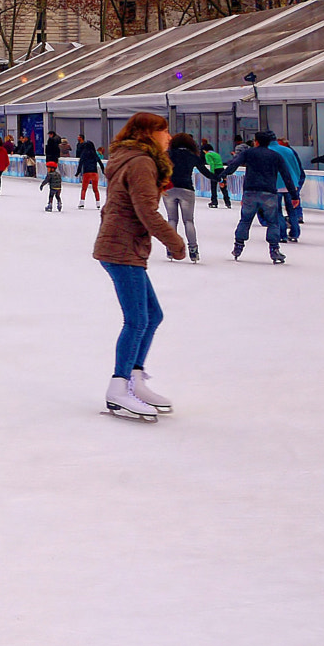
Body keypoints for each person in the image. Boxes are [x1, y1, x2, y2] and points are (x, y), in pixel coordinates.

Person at [93, 111, 189, 421]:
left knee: (152, 315)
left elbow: (113, 206)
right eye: (164, 131)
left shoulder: (130, 158)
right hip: (122, 248)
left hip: (122, 244)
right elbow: (147, 212)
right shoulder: (141, 163)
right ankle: (119, 387)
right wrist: (175, 242)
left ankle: (134, 378)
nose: (169, 137)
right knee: (137, 319)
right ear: (149, 134)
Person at [230, 130, 299, 263]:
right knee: (273, 222)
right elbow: (286, 176)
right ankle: (274, 249)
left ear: (256, 141)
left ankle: (238, 246)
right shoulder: (275, 156)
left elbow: (233, 164)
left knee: (245, 220)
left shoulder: (248, 153)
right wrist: (294, 195)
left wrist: (221, 176)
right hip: (269, 193)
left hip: (250, 191)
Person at [163, 132, 206, 262]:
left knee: (172, 219)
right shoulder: (192, 156)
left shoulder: (167, 155)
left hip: (169, 189)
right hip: (186, 189)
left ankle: (171, 248)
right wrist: (219, 178)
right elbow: (204, 171)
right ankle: (193, 250)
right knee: (188, 221)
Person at [272, 135, 308, 242]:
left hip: (276, 183)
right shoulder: (289, 152)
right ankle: (295, 233)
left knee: (277, 211)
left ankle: (282, 233)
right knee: (292, 210)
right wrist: (297, 182)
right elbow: (297, 168)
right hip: (291, 184)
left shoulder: (270, 151)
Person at [75, 137, 102, 208]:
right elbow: (100, 163)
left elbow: (80, 164)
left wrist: (78, 172)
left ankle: (82, 203)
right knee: (95, 189)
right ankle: (98, 203)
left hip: (86, 173)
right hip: (94, 173)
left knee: (84, 189)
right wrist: (103, 170)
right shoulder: (94, 154)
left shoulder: (84, 154)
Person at [201, 143, 229, 208]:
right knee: (223, 186)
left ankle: (214, 201)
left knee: (213, 187)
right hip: (221, 170)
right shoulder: (216, 154)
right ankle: (227, 202)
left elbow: (211, 163)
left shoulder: (208, 154)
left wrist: (212, 173)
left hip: (215, 170)